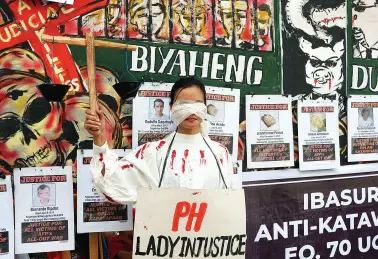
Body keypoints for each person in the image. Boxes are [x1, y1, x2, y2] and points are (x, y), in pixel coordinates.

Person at [84, 77, 235, 205]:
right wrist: (100, 138)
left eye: (197, 103)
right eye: (183, 104)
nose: (191, 110)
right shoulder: (153, 153)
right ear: (171, 107)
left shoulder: (220, 154)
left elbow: (229, 203)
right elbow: (111, 183)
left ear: (205, 106)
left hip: (208, 238)